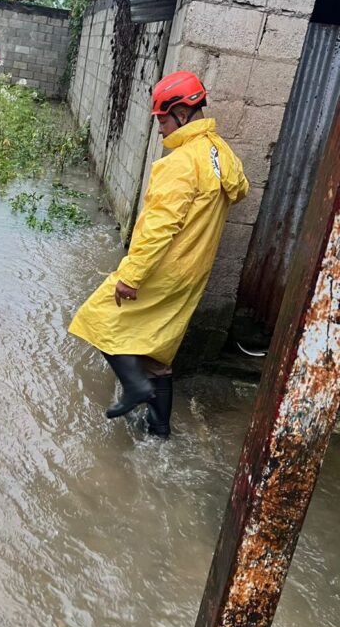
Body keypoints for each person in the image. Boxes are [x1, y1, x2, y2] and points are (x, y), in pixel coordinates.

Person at [69, 70, 249, 438]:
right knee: (157, 355)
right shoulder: (220, 153)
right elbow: (240, 189)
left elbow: (158, 228)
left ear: (182, 113)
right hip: (195, 275)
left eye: (163, 119)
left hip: (164, 269)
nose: (160, 128)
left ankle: (135, 388)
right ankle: (159, 431)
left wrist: (131, 276)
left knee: (97, 319)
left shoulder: (180, 163)